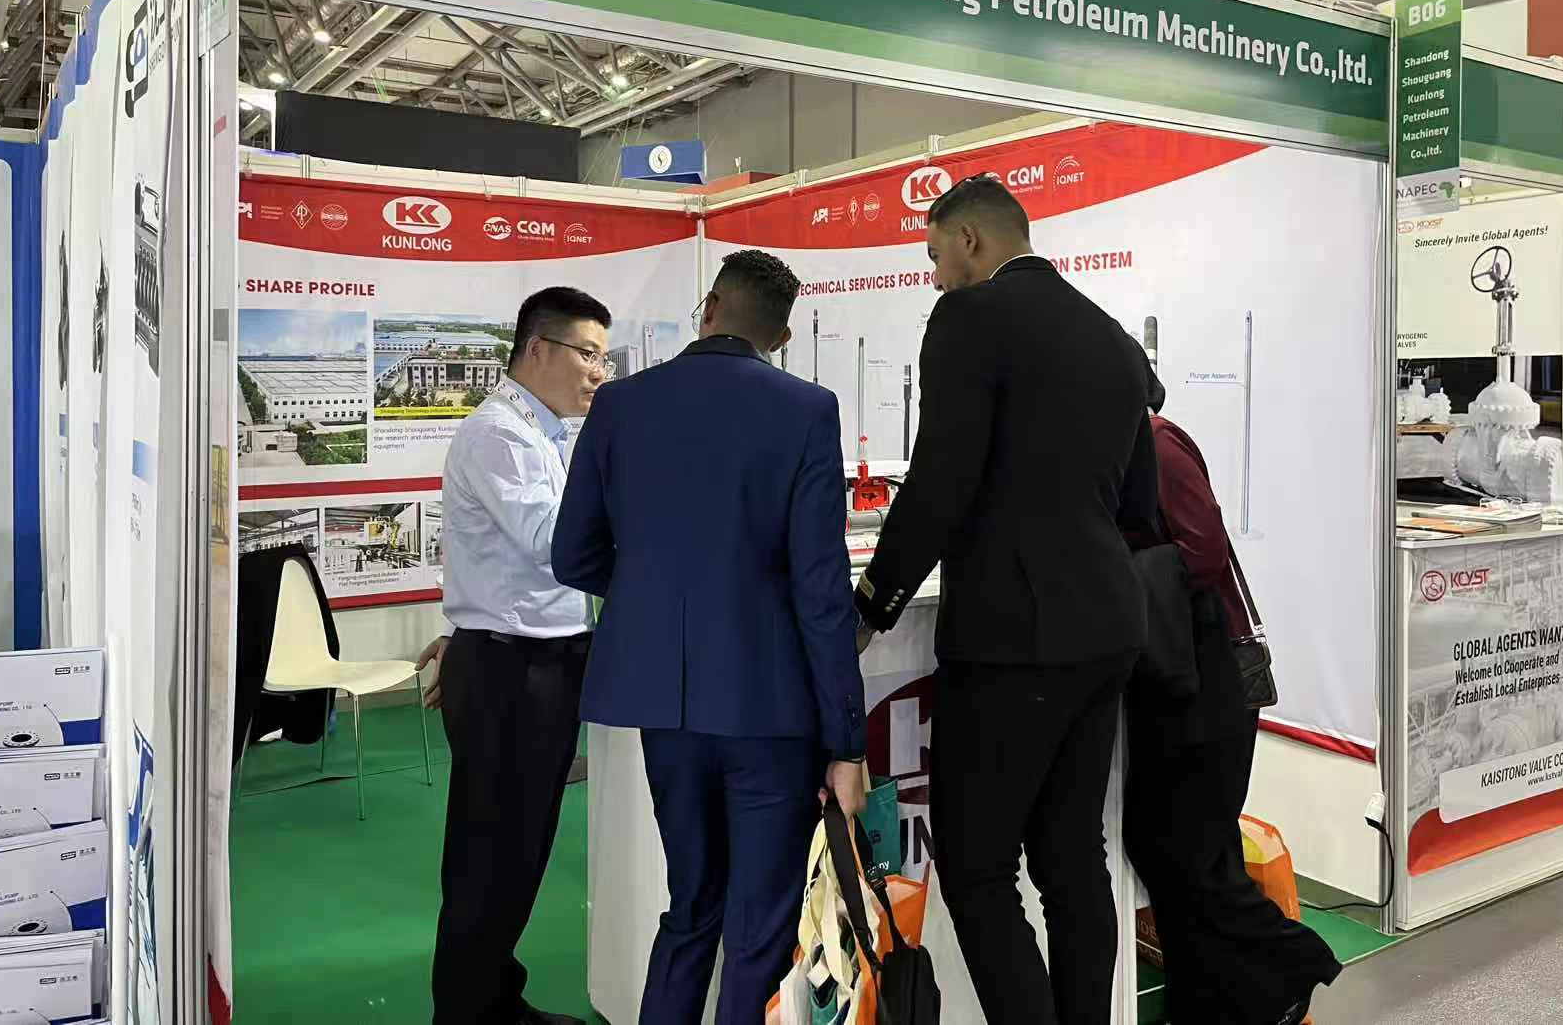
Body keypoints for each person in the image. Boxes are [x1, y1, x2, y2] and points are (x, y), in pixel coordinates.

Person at [854, 175, 1156, 1025]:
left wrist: (873, 603)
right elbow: (1140, 503)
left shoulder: (969, 318)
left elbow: (939, 483)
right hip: (1107, 624)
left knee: (979, 866)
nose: (934, 276)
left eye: (935, 256)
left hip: (1013, 636)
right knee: (1072, 858)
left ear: (971, 240)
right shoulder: (1111, 336)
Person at [553, 249, 867, 1025]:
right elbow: (822, 591)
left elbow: (573, 554)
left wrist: (654, 599)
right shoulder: (806, 409)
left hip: (665, 707)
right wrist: (847, 742)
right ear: (782, 337)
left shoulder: (619, 405)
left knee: (691, 905)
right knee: (759, 927)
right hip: (770, 707)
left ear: (710, 308)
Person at [415, 286, 614, 1025]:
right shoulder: (500, 434)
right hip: (511, 670)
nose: (599, 372)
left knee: (521, 849)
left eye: (604, 357)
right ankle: (467, 1013)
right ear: (537, 349)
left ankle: (494, 997)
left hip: (532, 662)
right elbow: (553, 543)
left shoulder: (548, 434)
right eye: (587, 354)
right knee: (489, 855)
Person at [1124, 381, 1342, 1025]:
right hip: (1177, 674)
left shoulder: (1157, 447)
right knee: (1176, 851)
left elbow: (1204, 552)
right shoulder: (1123, 450)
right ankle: (1210, 1002)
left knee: (1191, 854)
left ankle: (1292, 963)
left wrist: (1109, 568)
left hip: (1210, 673)